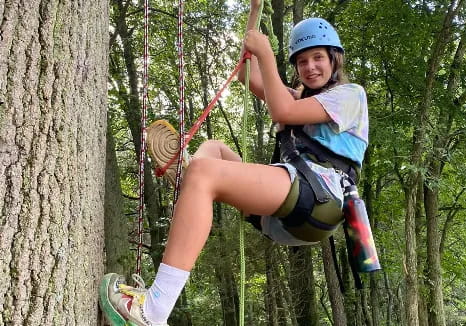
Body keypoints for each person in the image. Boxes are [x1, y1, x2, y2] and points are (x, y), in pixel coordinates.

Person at [99, 1, 368, 324]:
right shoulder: (300, 97)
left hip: (320, 198)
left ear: (334, 59)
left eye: (317, 58)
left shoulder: (350, 95)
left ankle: (153, 310)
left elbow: (282, 111)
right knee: (213, 149)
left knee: (204, 172)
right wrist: (255, 11)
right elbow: (245, 71)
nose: (310, 67)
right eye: (302, 61)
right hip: (290, 208)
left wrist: (267, 54)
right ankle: (193, 183)